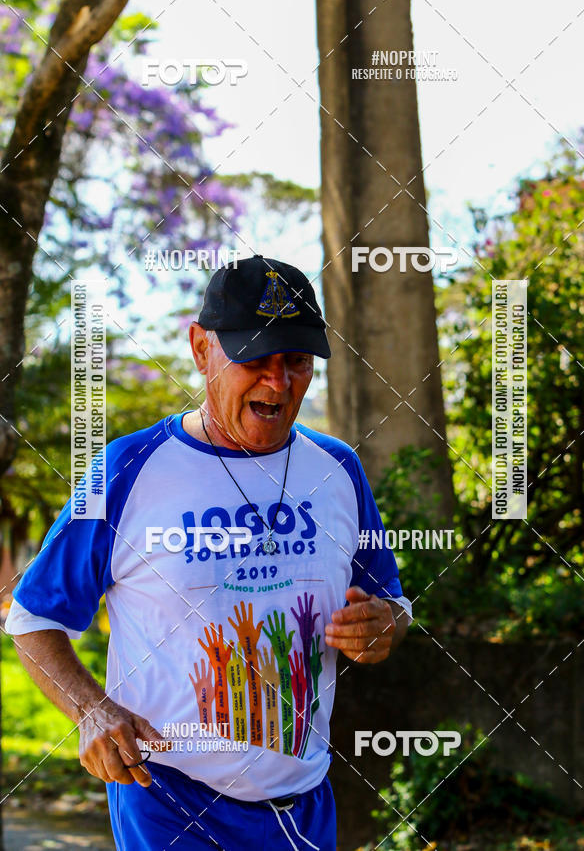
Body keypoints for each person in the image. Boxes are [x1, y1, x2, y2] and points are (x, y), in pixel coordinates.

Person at [6, 255, 413, 851]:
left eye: (297, 362)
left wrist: (387, 627)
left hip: (304, 806)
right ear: (202, 350)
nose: (279, 383)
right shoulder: (123, 471)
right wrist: (90, 710)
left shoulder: (339, 470)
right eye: (255, 359)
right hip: (169, 800)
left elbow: (392, 605)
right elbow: (32, 616)